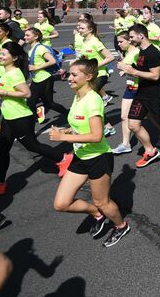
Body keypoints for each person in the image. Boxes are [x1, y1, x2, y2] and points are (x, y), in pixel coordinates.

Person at [50, 58, 131, 247]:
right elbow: (82, 124)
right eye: (70, 74)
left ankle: (121, 225)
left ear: (89, 77)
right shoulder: (77, 94)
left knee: (102, 201)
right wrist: (68, 131)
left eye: (74, 75)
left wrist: (63, 139)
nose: (69, 78)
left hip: (98, 158)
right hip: (81, 157)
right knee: (61, 204)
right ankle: (96, 214)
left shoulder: (93, 100)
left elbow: (96, 135)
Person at [0, 42, 73, 196]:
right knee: (2, 150)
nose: (0, 57)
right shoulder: (6, 72)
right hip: (9, 118)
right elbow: (10, 93)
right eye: (0, 54)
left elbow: (26, 93)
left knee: (32, 146)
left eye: (3, 54)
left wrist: (2, 91)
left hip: (20, 118)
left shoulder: (15, 73)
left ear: (15, 57)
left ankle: (64, 158)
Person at [117, 24, 160, 168]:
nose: (130, 40)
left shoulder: (152, 53)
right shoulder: (141, 51)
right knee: (133, 125)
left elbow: (155, 76)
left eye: (131, 37)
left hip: (155, 95)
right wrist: (129, 69)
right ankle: (150, 151)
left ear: (141, 36)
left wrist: (133, 71)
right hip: (141, 94)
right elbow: (143, 70)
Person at [25, 28, 68, 126]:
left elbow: (52, 61)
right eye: (25, 35)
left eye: (28, 35)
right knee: (33, 103)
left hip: (45, 79)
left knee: (47, 103)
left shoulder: (40, 48)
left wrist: (36, 67)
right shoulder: (32, 48)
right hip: (37, 79)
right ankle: (36, 117)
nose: (25, 37)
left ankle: (67, 113)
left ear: (36, 37)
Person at [111, 31, 140, 155]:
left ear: (130, 41)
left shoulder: (137, 53)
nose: (118, 44)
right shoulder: (127, 53)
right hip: (130, 88)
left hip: (140, 88)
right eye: (118, 42)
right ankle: (126, 144)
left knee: (152, 116)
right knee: (124, 116)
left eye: (121, 41)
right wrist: (125, 71)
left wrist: (126, 69)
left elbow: (144, 70)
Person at [76, 19, 115, 108]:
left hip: (100, 74)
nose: (79, 30)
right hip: (90, 75)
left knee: (87, 96)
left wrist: (94, 66)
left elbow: (110, 57)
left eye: (82, 28)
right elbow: (85, 56)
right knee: (82, 94)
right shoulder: (84, 41)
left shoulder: (95, 42)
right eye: (79, 28)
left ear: (90, 30)